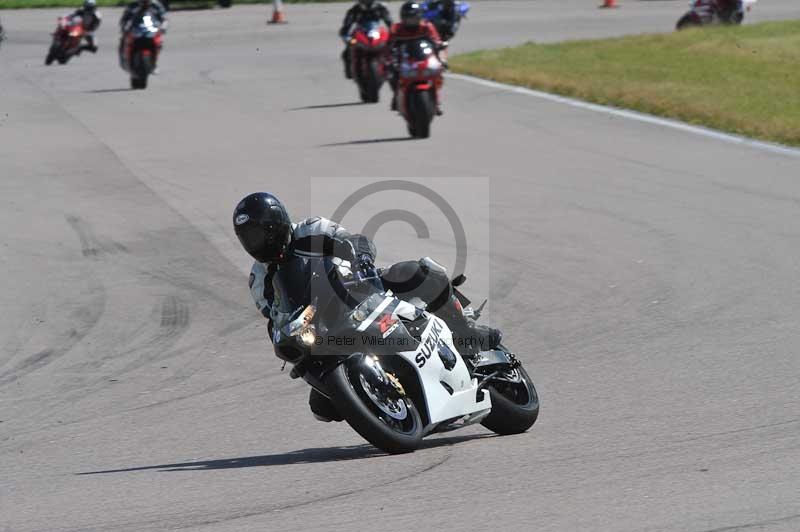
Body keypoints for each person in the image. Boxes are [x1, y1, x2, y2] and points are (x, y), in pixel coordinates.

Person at [233, 192, 501, 421]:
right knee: (323, 408)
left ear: (275, 225)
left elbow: (352, 239)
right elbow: (274, 317)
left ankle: (467, 331)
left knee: (418, 272)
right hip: (325, 328)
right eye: (248, 238)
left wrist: (359, 258)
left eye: (258, 234)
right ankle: (383, 397)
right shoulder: (260, 279)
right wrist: (282, 339)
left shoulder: (310, 230)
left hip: (360, 289)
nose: (255, 243)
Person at [386, 1, 445, 115]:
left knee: (438, 72)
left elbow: (436, 41)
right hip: (403, 58)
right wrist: (389, 61)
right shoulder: (396, 29)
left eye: (415, 17)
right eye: (409, 18)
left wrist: (441, 56)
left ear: (420, 16)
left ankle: (436, 101)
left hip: (423, 57)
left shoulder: (427, 27)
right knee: (392, 75)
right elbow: (389, 46)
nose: (412, 21)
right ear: (403, 18)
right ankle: (396, 96)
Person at [338, 0, 392, 79]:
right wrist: (348, 38)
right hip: (360, 34)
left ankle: (391, 69)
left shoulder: (381, 8)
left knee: (392, 50)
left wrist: (392, 35)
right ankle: (349, 71)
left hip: (376, 33)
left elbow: (390, 24)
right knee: (346, 53)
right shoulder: (354, 10)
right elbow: (345, 28)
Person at [118, 0, 167, 70]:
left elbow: (164, 18)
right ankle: (124, 60)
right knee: (123, 40)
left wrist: (163, 27)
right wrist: (124, 27)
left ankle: (154, 62)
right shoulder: (132, 5)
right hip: (135, 31)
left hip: (151, 31)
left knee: (159, 43)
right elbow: (124, 19)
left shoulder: (156, 5)